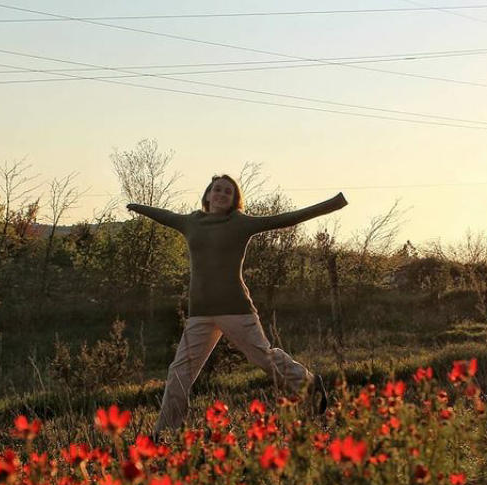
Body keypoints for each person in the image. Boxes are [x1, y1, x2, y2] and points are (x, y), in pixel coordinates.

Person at [127, 174, 348, 438]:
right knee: (179, 372)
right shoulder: (191, 222)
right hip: (200, 314)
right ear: (208, 195)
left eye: (227, 192)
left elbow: (285, 218)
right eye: (217, 190)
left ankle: (309, 384)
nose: (221, 194)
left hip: (236, 309)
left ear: (234, 200)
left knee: (264, 358)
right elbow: (165, 215)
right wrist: (137, 207)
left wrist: (333, 204)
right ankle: (166, 434)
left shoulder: (239, 223)